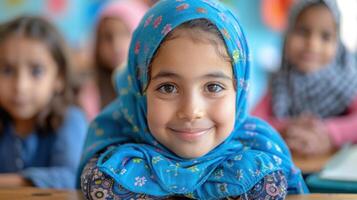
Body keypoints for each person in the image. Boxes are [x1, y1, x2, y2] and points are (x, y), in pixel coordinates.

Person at [80, 0, 308, 199]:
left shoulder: (262, 158)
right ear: (140, 88)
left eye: (213, 87)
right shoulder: (109, 167)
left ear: (240, 89)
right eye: (168, 88)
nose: (191, 111)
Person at [252, 0, 357, 156]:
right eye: (302, 32)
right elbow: (253, 123)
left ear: (338, 44)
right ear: (287, 35)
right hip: (295, 166)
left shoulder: (347, 82)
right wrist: (287, 127)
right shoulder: (279, 82)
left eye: (326, 36)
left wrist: (327, 133)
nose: (312, 44)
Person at [0, 16, 88, 188]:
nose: (20, 86)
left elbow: (72, 177)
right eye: (7, 70)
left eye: (36, 71)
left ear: (59, 77)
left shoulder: (70, 120)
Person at [77, 0, 148, 120]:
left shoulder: (152, 88)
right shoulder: (89, 94)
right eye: (108, 37)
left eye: (124, 34)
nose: (116, 45)